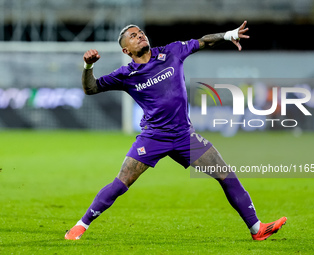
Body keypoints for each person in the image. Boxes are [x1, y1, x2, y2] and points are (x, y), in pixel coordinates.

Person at [65, 21, 287, 241]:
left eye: (140, 32)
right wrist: (88, 67)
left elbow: (203, 42)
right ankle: (80, 226)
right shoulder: (126, 74)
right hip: (154, 136)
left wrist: (228, 35)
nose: (140, 35)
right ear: (126, 50)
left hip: (184, 136)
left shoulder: (171, 52)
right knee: (121, 183)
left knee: (226, 175)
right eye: (133, 36)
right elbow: (90, 88)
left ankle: (257, 229)